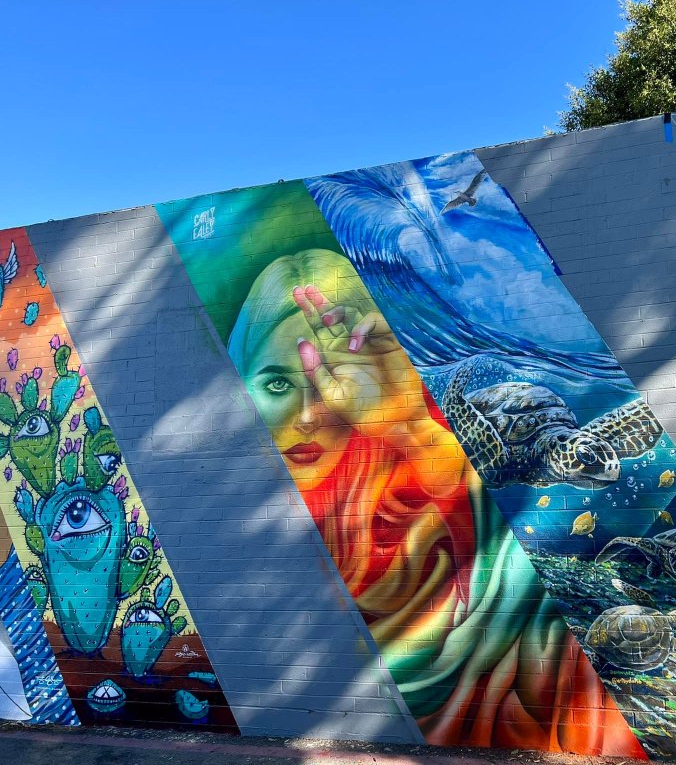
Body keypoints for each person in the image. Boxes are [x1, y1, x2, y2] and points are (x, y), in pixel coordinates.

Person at [227, 248, 641, 756]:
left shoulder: (403, 489)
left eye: (330, 380)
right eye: (277, 383)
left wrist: (410, 428)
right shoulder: (231, 512)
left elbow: (495, 564)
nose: (312, 414)